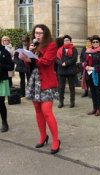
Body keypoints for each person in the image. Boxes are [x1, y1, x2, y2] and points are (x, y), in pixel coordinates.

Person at [19, 24, 61, 154]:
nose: (37, 35)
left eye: (40, 33)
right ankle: (43, 136)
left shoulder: (51, 45)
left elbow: (47, 61)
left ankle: (56, 140)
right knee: (38, 110)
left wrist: (31, 56)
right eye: (36, 33)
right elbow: (29, 63)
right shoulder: (33, 45)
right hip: (34, 81)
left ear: (45, 34)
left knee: (46, 111)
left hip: (47, 80)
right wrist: (25, 57)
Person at [84, 35, 100, 116]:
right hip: (90, 74)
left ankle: (99, 109)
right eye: (93, 42)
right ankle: (94, 108)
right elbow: (85, 61)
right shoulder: (89, 51)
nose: (95, 43)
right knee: (93, 92)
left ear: (99, 42)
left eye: (96, 42)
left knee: (98, 92)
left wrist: (94, 68)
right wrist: (85, 66)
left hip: (98, 74)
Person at [56, 35, 78, 108]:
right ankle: (61, 101)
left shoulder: (74, 49)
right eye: (65, 40)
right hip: (61, 71)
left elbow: (74, 59)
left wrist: (66, 63)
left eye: (68, 40)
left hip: (70, 70)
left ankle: (72, 101)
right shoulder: (59, 49)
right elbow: (56, 59)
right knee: (61, 87)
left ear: (70, 41)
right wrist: (61, 63)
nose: (66, 41)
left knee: (72, 87)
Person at [0, 43, 14, 132]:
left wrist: (1, 65)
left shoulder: (5, 52)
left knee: (1, 103)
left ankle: (4, 123)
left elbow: (11, 67)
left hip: (2, 81)